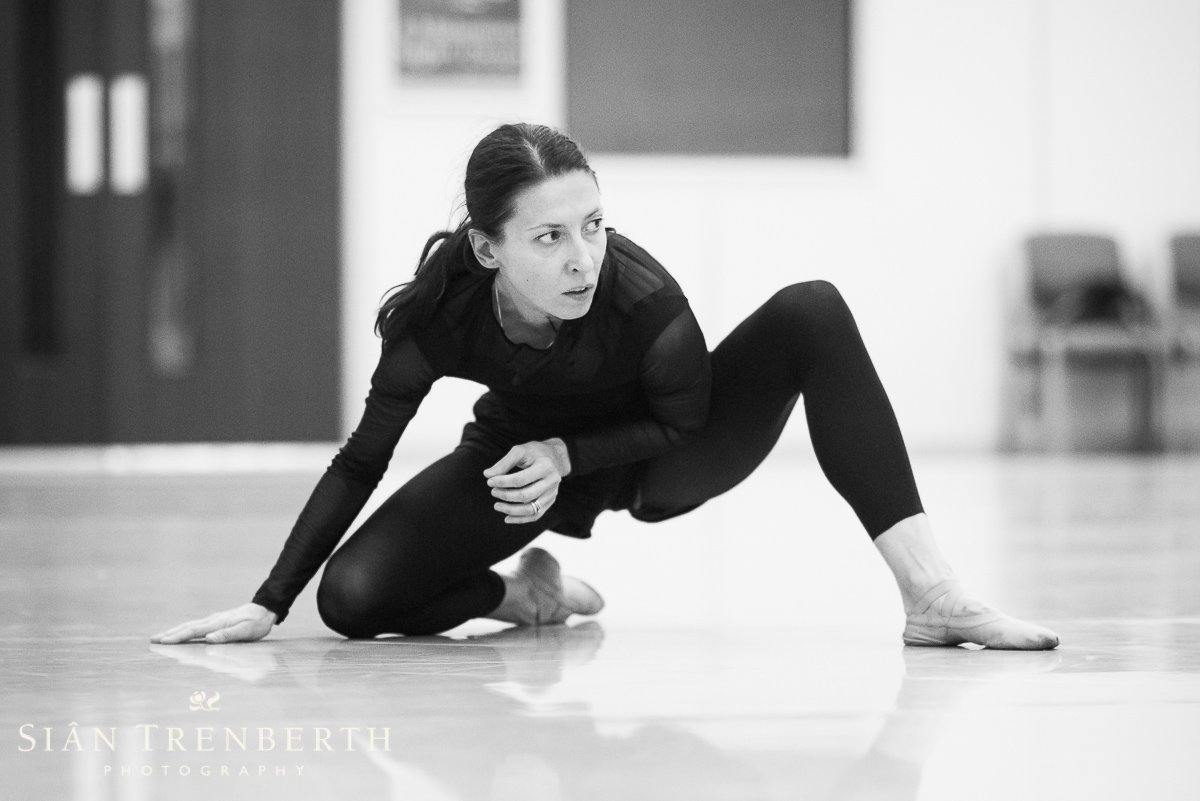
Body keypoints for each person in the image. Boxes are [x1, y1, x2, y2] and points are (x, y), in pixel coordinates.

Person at [152, 123, 1059, 650]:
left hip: (665, 452)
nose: (583, 258)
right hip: (518, 465)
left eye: (593, 224)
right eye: (549, 238)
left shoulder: (645, 297)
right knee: (351, 600)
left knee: (811, 309)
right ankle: (527, 596)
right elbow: (361, 461)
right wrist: (269, 600)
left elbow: (686, 417)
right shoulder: (438, 318)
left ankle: (934, 598)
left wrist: (570, 452)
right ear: (487, 247)